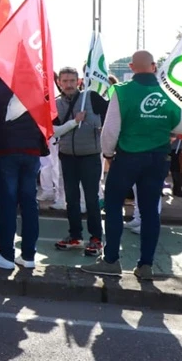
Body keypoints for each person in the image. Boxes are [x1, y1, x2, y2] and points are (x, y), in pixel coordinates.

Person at [81, 51, 182, 280]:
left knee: (113, 206)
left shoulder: (122, 91)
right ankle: (145, 265)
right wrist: (165, 136)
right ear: (153, 66)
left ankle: (111, 260)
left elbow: (110, 131)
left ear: (131, 66)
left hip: (128, 156)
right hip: (158, 158)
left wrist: (108, 154)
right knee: (150, 212)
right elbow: (181, 127)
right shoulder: (170, 91)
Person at [0, 62, 48, 271]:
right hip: (31, 153)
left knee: (7, 205)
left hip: (6, 153)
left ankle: (7, 255)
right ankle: (28, 255)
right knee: (29, 204)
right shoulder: (34, 89)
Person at [52, 67, 108, 256]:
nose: (68, 84)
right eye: (64, 81)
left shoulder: (91, 98)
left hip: (90, 156)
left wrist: (100, 129)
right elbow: (53, 131)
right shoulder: (56, 104)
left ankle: (96, 238)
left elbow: (111, 117)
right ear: (59, 82)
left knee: (92, 199)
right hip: (67, 156)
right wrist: (75, 122)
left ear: (79, 81)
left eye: (72, 80)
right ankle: (74, 235)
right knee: (72, 199)